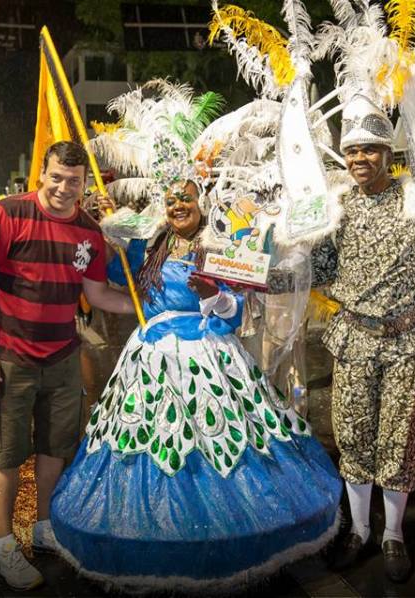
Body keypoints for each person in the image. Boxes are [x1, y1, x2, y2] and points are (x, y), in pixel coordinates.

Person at [48, 83, 340, 593]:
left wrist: (212, 295)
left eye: (185, 197)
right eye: (171, 198)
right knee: (152, 448)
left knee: (221, 446)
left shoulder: (221, 244)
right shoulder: (149, 242)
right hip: (152, 356)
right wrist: (101, 226)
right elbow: (117, 279)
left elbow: (233, 315)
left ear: (201, 199)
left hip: (211, 356)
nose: (178, 205)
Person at [0, 141, 136, 591]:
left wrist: (150, 307)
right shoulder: (5, 214)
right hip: (9, 357)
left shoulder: (89, 231)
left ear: (83, 183)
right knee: (5, 452)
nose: (63, 187)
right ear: (42, 172)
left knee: (55, 447)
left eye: (73, 181)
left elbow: (97, 296)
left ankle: (41, 527)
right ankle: (4, 547)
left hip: (62, 357)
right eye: (56, 177)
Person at [319, 95, 415, 580]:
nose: (360, 159)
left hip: (409, 340)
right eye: (353, 151)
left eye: (370, 149)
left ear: (390, 153)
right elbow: (319, 267)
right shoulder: (335, 205)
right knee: (353, 437)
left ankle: (394, 535)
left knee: (401, 440)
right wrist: (260, 259)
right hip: (355, 339)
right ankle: (360, 529)